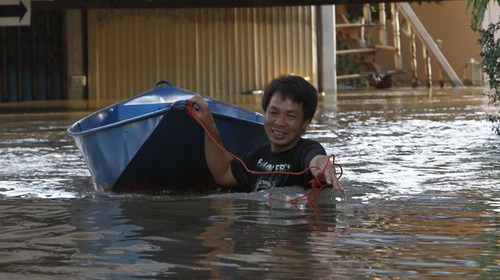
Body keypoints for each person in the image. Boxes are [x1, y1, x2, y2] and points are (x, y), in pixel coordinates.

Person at [189, 75, 343, 193]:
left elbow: (317, 159)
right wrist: (209, 126)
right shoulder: (258, 156)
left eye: (290, 116)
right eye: (273, 113)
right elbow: (223, 174)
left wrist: (324, 168)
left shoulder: (307, 150)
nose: (279, 122)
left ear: (305, 122)